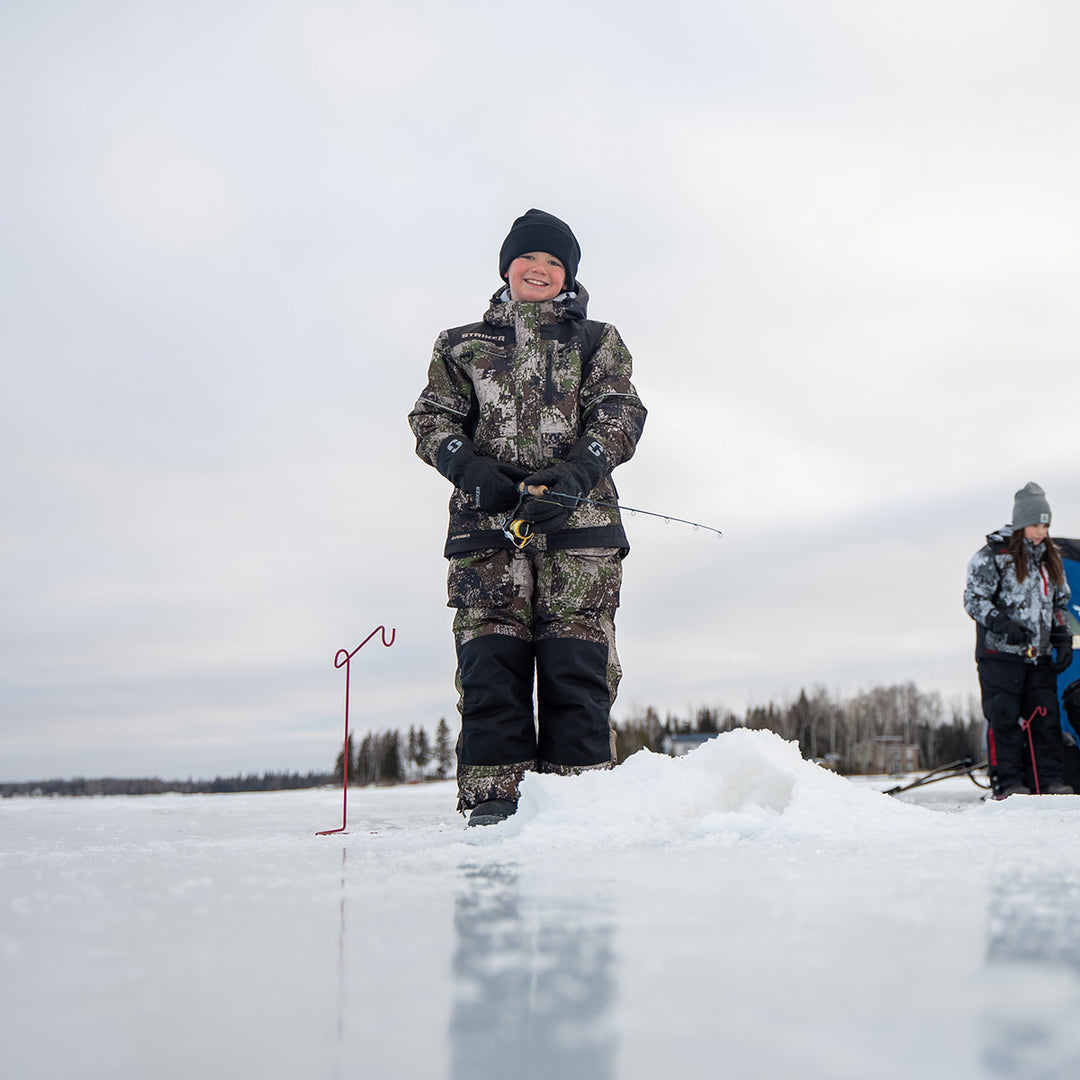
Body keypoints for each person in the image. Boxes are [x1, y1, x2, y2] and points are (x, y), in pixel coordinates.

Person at [408, 209, 647, 826]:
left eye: (553, 261)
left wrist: (575, 477)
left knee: (577, 673)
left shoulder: (599, 340)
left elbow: (619, 413)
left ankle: (580, 807)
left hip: (580, 535)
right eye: (528, 259)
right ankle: (495, 806)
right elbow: (431, 420)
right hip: (486, 536)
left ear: (566, 274)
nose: (539, 269)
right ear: (506, 267)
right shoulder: (461, 344)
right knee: (492, 672)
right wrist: (473, 474)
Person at [964, 482, 1075, 798]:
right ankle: (1009, 784)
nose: (1041, 530)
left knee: (1046, 720)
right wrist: (1001, 623)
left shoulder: (1049, 560)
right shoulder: (994, 556)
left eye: (1045, 524)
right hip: (1000, 656)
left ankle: (1051, 781)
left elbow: (1059, 604)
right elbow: (974, 598)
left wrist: (1062, 638)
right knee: (1005, 720)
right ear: (1020, 522)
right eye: (1035, 524)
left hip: (1037, 657)